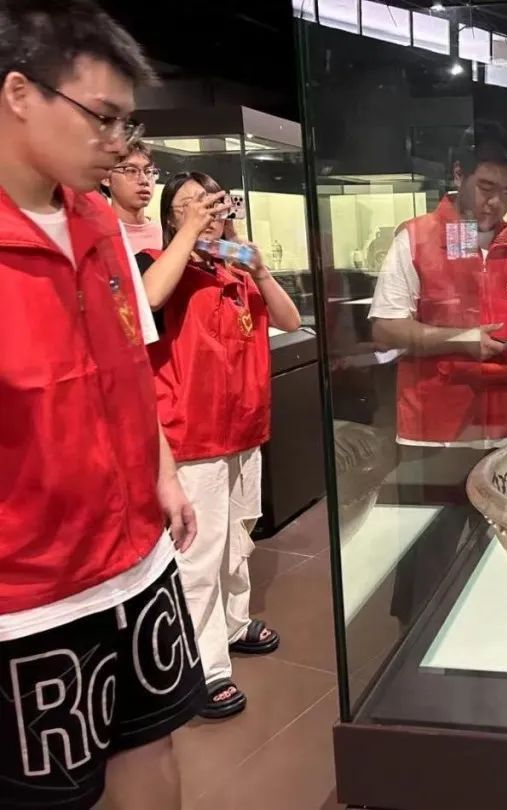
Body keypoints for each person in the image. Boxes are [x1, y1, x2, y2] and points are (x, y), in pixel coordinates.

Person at [0, 3, 203, 809]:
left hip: (139, 559)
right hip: (30, 596)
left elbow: (129, 364)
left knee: (154, 743)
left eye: (128, 123)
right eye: (102, 118)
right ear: (20, 94)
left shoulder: (96, 220)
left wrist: (163, 472)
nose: (119, 144)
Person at [136, 171, 302, 719]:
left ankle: (233, 622)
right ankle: (202, 668)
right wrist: (188, 233)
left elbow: (289, 320)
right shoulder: (158, 266)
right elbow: (148, 298)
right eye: (188, 205)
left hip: (244, 430)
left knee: (238, 538)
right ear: (171, 217)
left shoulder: (234, 269)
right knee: (200, 554)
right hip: (193, 436)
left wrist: (260, 269)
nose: (206, 213)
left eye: (211, 203)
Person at [370, 121, 507, 450]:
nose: (496, 202)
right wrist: (461, 340)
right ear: (459, 174)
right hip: (434, 431)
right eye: (486, 187)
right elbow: (385, 329)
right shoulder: (415, 239)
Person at [103, 138, 162, 253]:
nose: (144, 180)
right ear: (105, 177)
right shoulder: (96, 234)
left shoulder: (164, 234)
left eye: (148, 171)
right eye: (131, 171)